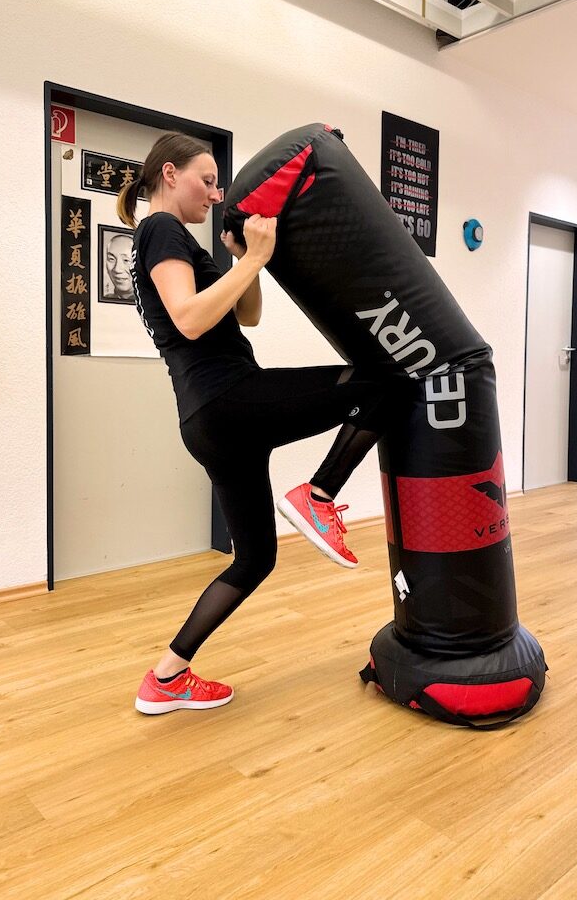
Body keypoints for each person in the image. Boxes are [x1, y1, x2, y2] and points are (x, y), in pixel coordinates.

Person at [116, 131, 408, 716]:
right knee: (387, 382)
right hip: (230, 399)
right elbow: (190, 319)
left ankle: (167, 677)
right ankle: (318, 494)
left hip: (209, 419)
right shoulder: (160, 229)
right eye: (207, 179)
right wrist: (250, 258)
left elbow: (244, 316)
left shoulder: (185, 242)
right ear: (169, 175)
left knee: (255, 559)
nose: (216, 191)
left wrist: (246, 259)